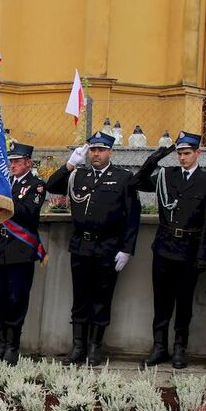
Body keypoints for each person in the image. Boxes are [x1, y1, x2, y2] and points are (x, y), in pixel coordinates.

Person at [45, 132, 141, 366]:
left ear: (110, 152)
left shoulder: (123, 178)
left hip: (108, 247)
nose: (96, 154)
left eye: (101, 150)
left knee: (102, 298)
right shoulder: (79, 175)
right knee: (80, 298)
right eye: (93, 150)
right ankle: (78, 347)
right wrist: (70, 164)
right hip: (81, 246)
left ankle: (95, 348)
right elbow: (52, 186)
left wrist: (127, 249)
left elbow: (132, 216)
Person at [131, 131, 206, 369]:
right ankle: (159, 347)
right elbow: (136, 182)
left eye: (187, 153)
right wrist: (154, 159)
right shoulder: (166, 175)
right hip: (164, 247)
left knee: (184, 302)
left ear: (198, 153)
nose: (182, 158)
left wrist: (203, 255)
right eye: (179, 154)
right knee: (162, 301)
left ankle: (180, 348)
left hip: (189, 250)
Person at [0, 143, 46, 365]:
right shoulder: (3, 184)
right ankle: (0, 345)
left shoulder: (36, 186)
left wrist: (5, 200)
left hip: (20, 251)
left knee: (16, 299)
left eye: (17, 161)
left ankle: (12, 346)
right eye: (10, 161)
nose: (13, 165)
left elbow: (28, 213)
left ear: (28, 162)